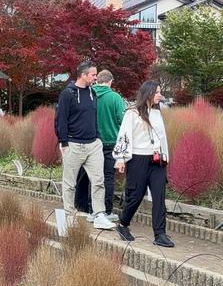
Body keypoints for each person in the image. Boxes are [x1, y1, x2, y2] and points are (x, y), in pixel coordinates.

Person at [113, 81, 175, 247]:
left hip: (157, 161)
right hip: (138, 160)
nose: (159, 95)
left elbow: (162, 138)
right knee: (135, 196)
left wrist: (165, 157)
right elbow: (124, 135)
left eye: (160, 92)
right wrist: (120, 159)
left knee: (159, 196)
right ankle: (123, 224)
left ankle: (160, 234)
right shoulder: (132, 113)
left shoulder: (157, 113)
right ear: (148, 93)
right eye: (157, 92)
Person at [54, 61, 114, 230]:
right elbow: (60, 119)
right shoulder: (68, 94)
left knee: (98, 181)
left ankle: (99, 215)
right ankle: (69, 215)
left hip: (93, 144)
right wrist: (63, 142)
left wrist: (98, 137)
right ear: (83, 75)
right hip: (73, 144)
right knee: (70, 183)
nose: (96, 78)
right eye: (93, 75)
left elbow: (93, 117)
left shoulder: (92, 93)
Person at [93, 69, 126, 220]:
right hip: (111, 143)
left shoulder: (89, 95)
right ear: (110, 81)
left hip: (92, 142)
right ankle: (107, 211)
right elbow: (123, 120)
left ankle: (92, 210)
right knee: (108, 178)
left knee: (93, 178)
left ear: (97, 80)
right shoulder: (115, 97)